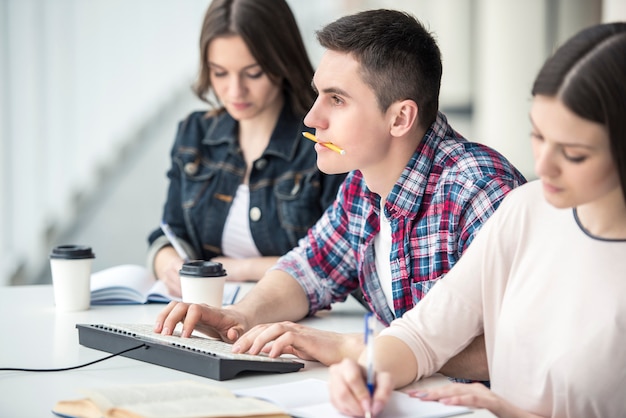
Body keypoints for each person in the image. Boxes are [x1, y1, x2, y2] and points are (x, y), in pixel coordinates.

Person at [154, 9, 526, 375]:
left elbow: (521, 345)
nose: (312, 119)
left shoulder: (479, 191)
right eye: (318, 95)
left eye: (337, 99)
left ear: (400, 118)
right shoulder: (362, 184)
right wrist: (239, 315)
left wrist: (357, 349)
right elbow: (307, 270)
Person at [328, 21, 626, 418]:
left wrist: (510, 412)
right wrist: (368, 369)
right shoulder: (525, 211)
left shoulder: (488, 189)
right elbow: (425, 333)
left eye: (573, 153)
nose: (543, 166)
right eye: (537, 136)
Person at [146, 0, 347, 296]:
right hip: (208, 311)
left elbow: (341, 258)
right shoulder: (195, 134)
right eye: (219, 73)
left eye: (253, 73)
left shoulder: (323, 144)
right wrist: (168, 264)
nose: (235, 91)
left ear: (282, 63)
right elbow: (170, 233)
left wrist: (240, 270)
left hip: (295, 320)